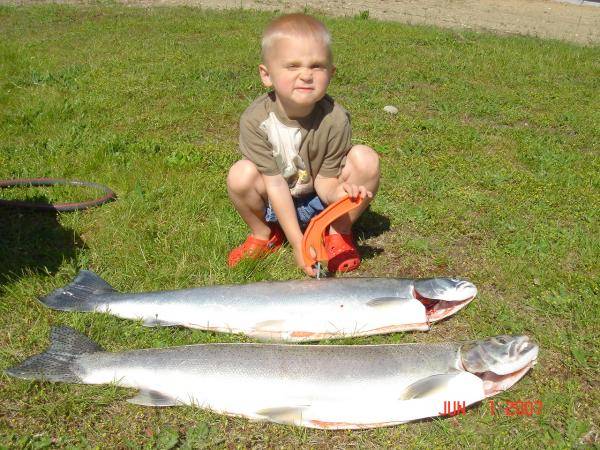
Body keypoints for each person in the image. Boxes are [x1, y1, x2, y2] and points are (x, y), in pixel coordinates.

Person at [227, 13, 380, 276]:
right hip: (276, 201)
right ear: (267, 75)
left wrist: (342, 195)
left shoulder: (335, 119)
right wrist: (298, 243)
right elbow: (274, 183)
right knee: (240, 175)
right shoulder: (255, 119)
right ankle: (265, 233)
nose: (306, 75)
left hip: (319, 199)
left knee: (366, 159)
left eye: (317, 66)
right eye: (293, 66)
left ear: (330, 74)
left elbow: (326, 181)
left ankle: (337, 233)